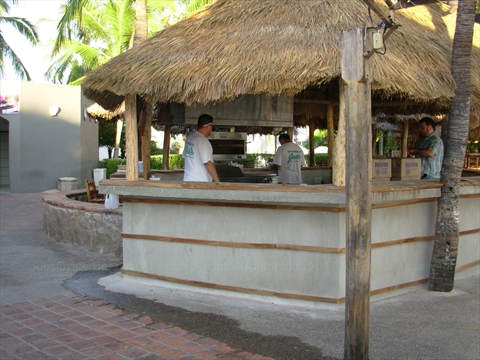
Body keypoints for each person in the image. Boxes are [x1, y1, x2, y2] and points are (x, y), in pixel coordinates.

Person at [183, 114, 220, 182]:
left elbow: (184, 158)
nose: (211, 129)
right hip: (200, 182)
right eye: (211, 126)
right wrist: (218, 182)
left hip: (187, 180)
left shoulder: (189, 138)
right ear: (207, 126)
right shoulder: (203, 141)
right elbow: (208, 163)